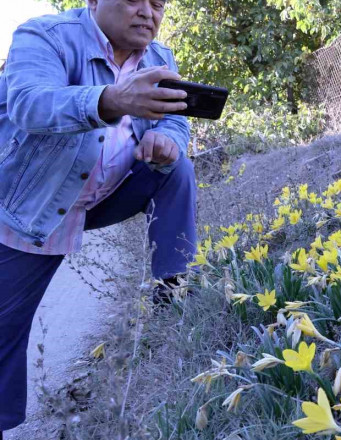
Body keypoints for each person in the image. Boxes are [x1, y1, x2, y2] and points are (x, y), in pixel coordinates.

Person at [0, 0, 198, 435]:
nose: (148, 12)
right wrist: (111, 99)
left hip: (105, 194)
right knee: (4, 329)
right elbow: (30, 104)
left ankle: (172, 292)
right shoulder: (45, 36)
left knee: (176, 168)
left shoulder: (160, 59)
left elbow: (178, 121)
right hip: (32, 207)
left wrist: (166, 138)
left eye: (158, 4)